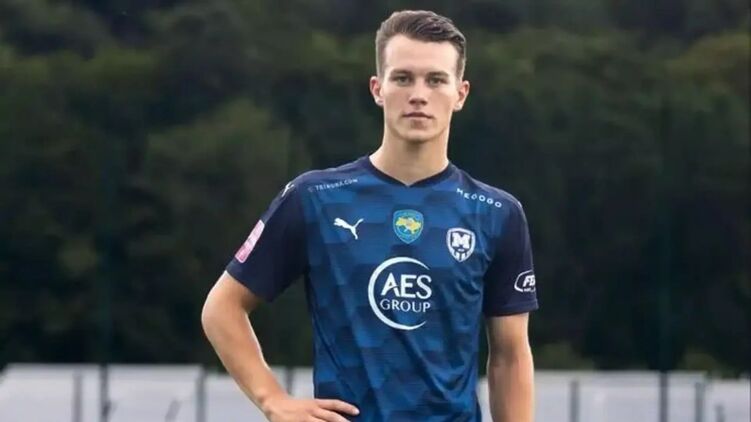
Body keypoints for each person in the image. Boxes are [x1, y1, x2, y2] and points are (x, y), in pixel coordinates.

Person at [202, 9, 537, 422]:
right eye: (403, 78)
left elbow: (509, 354)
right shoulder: (315, 198)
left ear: (460, 93)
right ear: (378, 88)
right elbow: (222, 308)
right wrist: (273, 399)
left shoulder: (497, 214)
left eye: (435, 80)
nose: (419, 94)